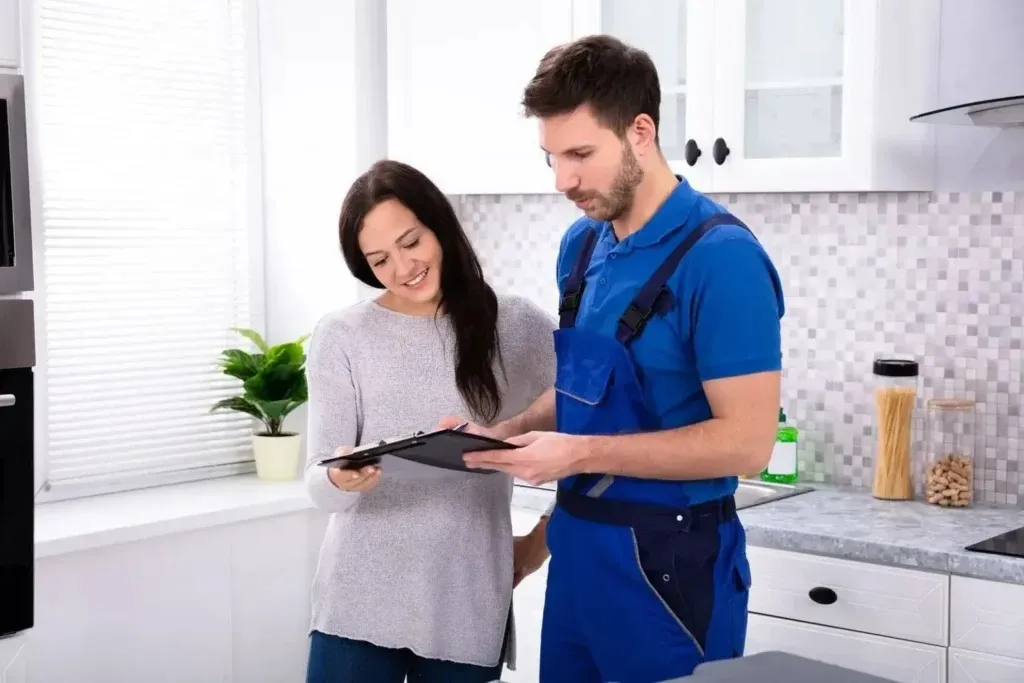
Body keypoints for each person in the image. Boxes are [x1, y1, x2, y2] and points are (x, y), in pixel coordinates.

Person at [437, 35, 786, 682]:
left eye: (580, 154)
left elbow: (748, 443)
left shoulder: (721, 258)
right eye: (551, 157)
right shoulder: (582, 246)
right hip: (577, 566)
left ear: (641, 132)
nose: (563, 179)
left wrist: (575, 454)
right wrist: (509, 433)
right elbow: (584, 389)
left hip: (671, 573)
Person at [303, 159, 555, 683]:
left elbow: (596, 418)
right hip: (357, 602)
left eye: (411, 241)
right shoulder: (342, 336)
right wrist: (340, 478)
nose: (402, 267)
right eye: (379, 259)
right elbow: (319, 485)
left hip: (466, 602)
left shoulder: (518, 325)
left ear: (439, 225)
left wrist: (541, 541)